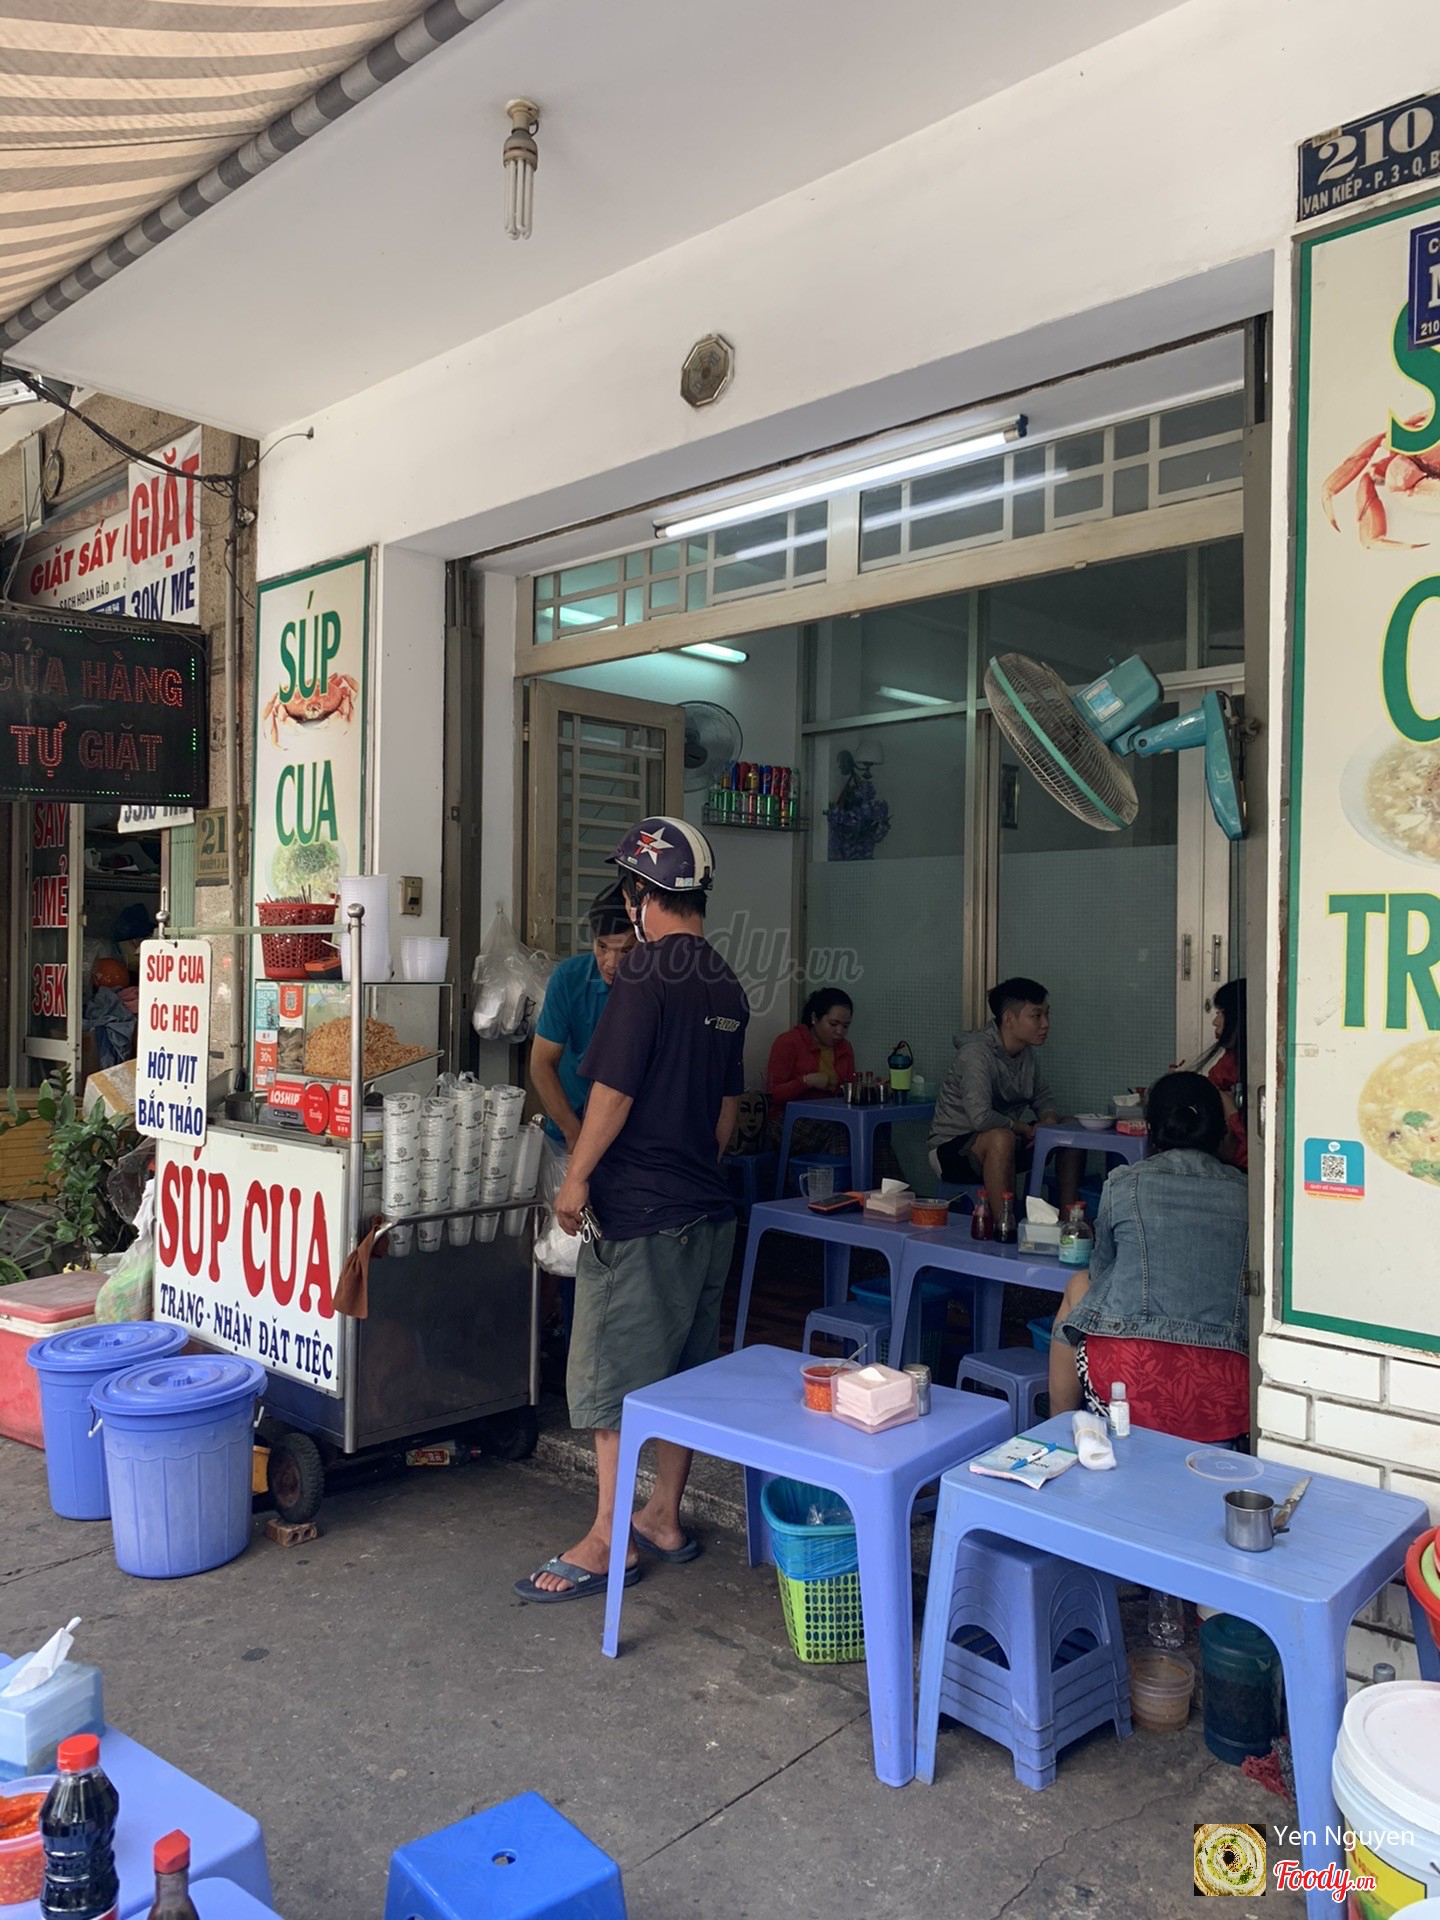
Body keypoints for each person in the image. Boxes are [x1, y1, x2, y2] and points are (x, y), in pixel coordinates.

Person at [515, 815, 749, 1603]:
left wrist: (576, 1178)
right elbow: (725, 1118)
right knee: (682, 1373)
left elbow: (611, 1094)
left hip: (643, 1217)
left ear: (640, 896)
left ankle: (609, 1538)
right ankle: (663, 1519)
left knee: (612, 1379)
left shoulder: (646, 974)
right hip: (708, 1215)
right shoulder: (725, 983)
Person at [1048, 1072, 1250, 1445]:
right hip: (1223, 1394)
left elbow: (1101, 1274)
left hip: (1131, 1384)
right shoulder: (1248, 1194)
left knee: (1079, 1286)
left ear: (1152, 1130)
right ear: (1219, 1130)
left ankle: (1060, 1431)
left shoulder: (1124, 1184)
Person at [928, 976, 1078, 1216]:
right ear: (1009, 1019)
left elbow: (1043, 1096)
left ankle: (1070, 1220)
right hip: (953, 1151)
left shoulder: (1026, 1053)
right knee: (1001, 1138)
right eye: (1036, 1016)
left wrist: (1048, 1121)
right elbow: (980, 1117)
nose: (1046, 1024)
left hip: (1008, 1140)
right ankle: (1004, 1228)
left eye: (1047, 1014)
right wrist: (1022, 1128)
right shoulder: (976, 1054)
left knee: (1069, 1128)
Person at [529, 883, 636, 1149]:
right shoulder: (569, 979)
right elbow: (541, 1064)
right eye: (603, 947)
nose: (611, 963)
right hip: (571, 1124)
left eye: (625, 951)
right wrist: (573, 1133)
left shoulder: (654, 988)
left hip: (632, 1136)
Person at [1201, 979, 1248, 1172]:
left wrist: (1229, 1106)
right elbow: (1210, 1087)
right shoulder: (1231, 1060)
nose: (1215, 1022)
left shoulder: (1258, 1066)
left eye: (1221, 1012)